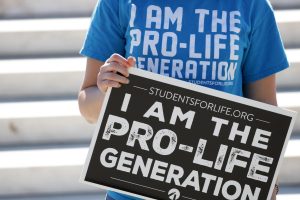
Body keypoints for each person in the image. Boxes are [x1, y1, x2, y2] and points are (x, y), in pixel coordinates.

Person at [78, 0, 287, 199]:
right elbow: (87, 107)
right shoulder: (117, 3)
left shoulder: (251, 5)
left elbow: (265, 113)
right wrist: (107, 91)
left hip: (217, 188)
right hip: (132, 190)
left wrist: (270, 188)